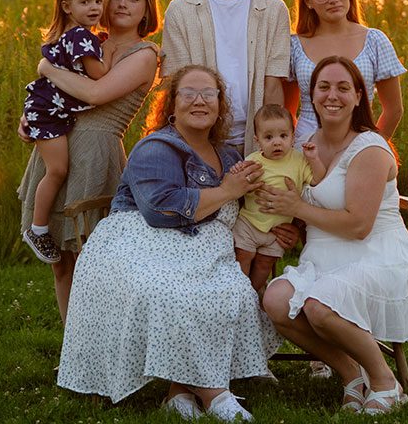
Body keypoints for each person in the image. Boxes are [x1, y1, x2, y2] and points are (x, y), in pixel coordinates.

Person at [58, 65, 280, 421]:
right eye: (189, 93)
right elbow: (161, 211)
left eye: (209, 94)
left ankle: (179, 392)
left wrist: (278, 226)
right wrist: (226, 191)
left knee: (231, 291)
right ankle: (215, 394)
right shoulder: (156, 147)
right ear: (171, 105)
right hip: (142, 241)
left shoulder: (229, 157)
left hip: (205, 245)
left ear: (221, 106)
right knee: (167, 292)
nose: (199, 101)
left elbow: (253, 205)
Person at [260, 56, 408, 415]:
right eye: (323, 87)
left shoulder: (369, 147)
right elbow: (305, 198)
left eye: (342, 88)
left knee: (319, 307)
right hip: (323, 256)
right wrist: (291, 225)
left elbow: (357, 225)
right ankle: (351, 373)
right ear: (312, 94)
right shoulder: (305, 144)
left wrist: (301, 208)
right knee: (275, 300)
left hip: (374, 253)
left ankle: (385, 381)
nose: (331, 95)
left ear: (358, 96)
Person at [17, 0, 161, 323]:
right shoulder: (86, 40)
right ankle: (72, 353)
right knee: (61, 263)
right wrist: (32, 119)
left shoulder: (145, 55)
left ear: (147, 8)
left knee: (92, 262)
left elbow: (96, 93)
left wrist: (47, 69)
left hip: (97, 157)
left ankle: (103, 347)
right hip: (59, 142)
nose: (123, 4)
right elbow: (58, 95)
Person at [162, 0, 291, 157]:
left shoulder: (274, 8)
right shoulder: (180, 9)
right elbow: (176, 87)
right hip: (200, 141)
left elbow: (274, 86)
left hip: (257, 141)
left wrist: (267, 150)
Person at [20, 0, 109, 263]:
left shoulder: (79, 36)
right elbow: (99, 76)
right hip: (48, 112)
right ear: (67, 6)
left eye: (98, 0)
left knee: (58, 170)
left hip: (49, 109)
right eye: (85, 2)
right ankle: (38, 228)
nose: (94, 8)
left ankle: (40, 226)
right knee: (57, 170)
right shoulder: (81, 37)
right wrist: (113, 56)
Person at [286, 0, 406, 147]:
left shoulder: (374, 40)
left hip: (359, 141)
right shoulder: (295, 46)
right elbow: (287, 111)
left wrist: (373, 147)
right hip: (307, 145)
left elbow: (393, 109)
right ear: (308, 1)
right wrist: (297, 147)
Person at [231, 104, 325, 294]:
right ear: (258, 141)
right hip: (250, 222)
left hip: (278, 229)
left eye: (283, 136)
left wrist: (314, 159)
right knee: (244, 255)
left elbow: (318, 179)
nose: (277, 142)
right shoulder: (254, 160)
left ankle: (252, 293)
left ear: (292, 137)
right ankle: (238, 291)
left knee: (265, 265)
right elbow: (240, 183)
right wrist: (238, 172)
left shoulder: (298, 160)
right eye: (269, 137)